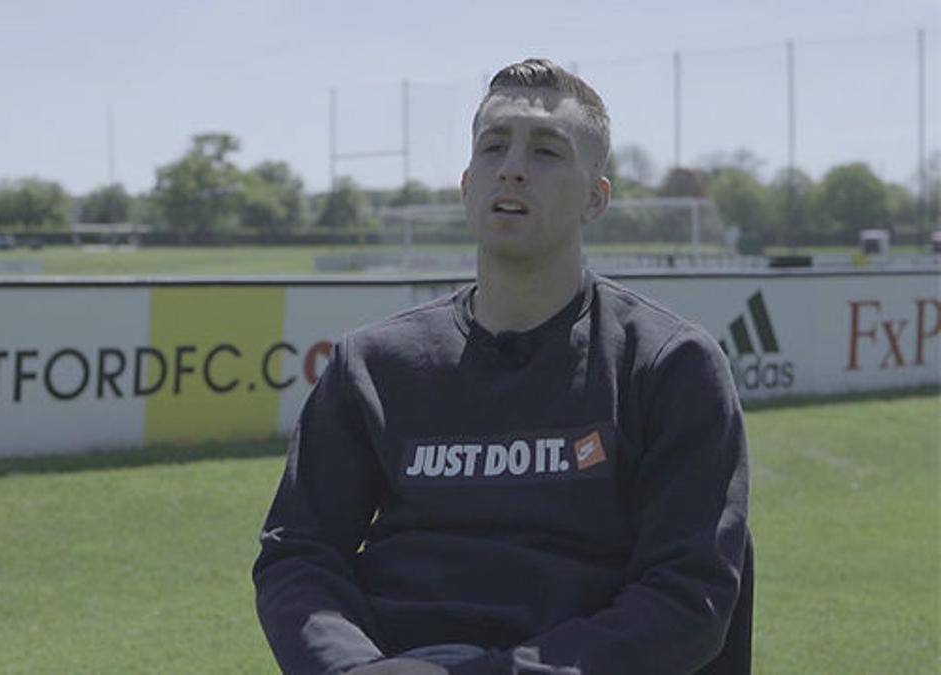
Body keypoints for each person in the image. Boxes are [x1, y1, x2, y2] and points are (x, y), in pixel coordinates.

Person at [253, 58, 752, 675]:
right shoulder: (375, 365)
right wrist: (353, 667)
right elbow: (299, 556)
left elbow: (689, 597)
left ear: (595, 200)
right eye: (494, 146)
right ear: (467, 186)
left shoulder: (668, 364)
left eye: (546, 152)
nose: (512, 166)